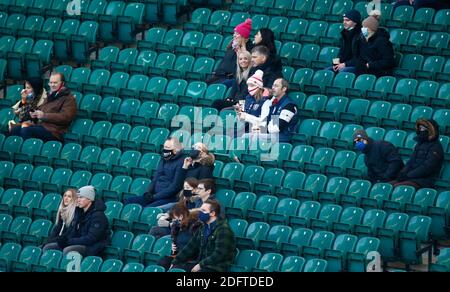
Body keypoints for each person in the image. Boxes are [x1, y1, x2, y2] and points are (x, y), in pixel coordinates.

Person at [171, 199, 236, 272]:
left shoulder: (223, 229)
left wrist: (200, 265)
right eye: (200, 210)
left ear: (212, 213)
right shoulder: (203, 227)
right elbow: (190, 247)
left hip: (216, 267)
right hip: (201, 264)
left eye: (203, 210)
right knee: (176, 268)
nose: (200, 213)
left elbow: (219, 254)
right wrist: (175, 262)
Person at [9, 72, 77, 142]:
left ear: (62, 83)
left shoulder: (69, 98)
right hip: (40, 126)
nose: (52, 85)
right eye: (51, 83)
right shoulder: (48, 95)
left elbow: (65, 117)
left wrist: (44, 116)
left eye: (55, 83)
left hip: (54, 131)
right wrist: (34, 114)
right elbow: (40, 110)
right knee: (15, 129)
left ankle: (29, 151)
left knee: (26, 130)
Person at [44, 186, 110, 256]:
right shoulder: (79, 212)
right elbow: (71, 232)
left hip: (92, 247)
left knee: (68, 250)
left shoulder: (98, 216)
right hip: (78, 243)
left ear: (90, 199)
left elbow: (91, 239)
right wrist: (60, 239)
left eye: (81, 197)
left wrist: (68, 242)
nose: (78, 200)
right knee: (48, 247)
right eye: (77, 197)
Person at [125, 137, 185, 208]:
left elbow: (175, 187)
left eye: (168, 147)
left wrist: (154, 197)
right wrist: (147, 192)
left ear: (176, 150)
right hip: (154, 195)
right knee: (128, 201)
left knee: (148, 209)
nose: (165, 149)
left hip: (168, 198)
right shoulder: (164, 159)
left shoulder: (181, 162)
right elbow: (155, 178)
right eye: (164, 147)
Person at [391, 119, 444, 189]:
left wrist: (408, 175)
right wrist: (403, 173)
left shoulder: (436, 147)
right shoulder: (419, 144)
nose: (421, 130)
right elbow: (411, 162)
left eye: (424, 128)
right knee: (389, 185)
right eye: (420, 128)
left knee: (397, 187)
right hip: (412, 177)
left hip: (425, 180)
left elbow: (427, 168)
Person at [208, 18, 253, 87]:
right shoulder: (232, 46)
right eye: (234, 33)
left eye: (237, 34)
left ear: (244, 37)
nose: (234, 35)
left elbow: (244, 67)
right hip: (219, 76)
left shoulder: (250, 48)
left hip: (232, 79)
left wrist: (241, 50)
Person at [157, 202, 202, 270]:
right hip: (179, 256)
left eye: (175, 219)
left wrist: (176, 261)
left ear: (181, 216)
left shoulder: (195, 226)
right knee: (162, 262)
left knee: (176, 268)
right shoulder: (177, 227)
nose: (174, 221)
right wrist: (174, 245)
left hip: (192, 258)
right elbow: (176, 240)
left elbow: (194, 247)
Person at [237, 69, 271, 134]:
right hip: (245, 128)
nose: (249, 88)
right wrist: (239, 113)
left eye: (252, 85)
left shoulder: (266, 101)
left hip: (257, 131)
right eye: (248, 85)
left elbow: (264, 122)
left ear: (259, 86)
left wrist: (246, 117)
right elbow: (242, 119)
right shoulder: (248, 97)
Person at [327, 9, 361, 74]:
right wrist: (336, 63)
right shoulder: (344, 34)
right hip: (345, 64)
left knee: (342, 71)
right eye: (344, 20)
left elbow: (360, 58)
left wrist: (345, 64)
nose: (344, 22)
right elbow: (341, 52)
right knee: (327, 71)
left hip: (356, 65)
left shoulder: (361, 36)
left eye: (347, 20)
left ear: (355, 22)